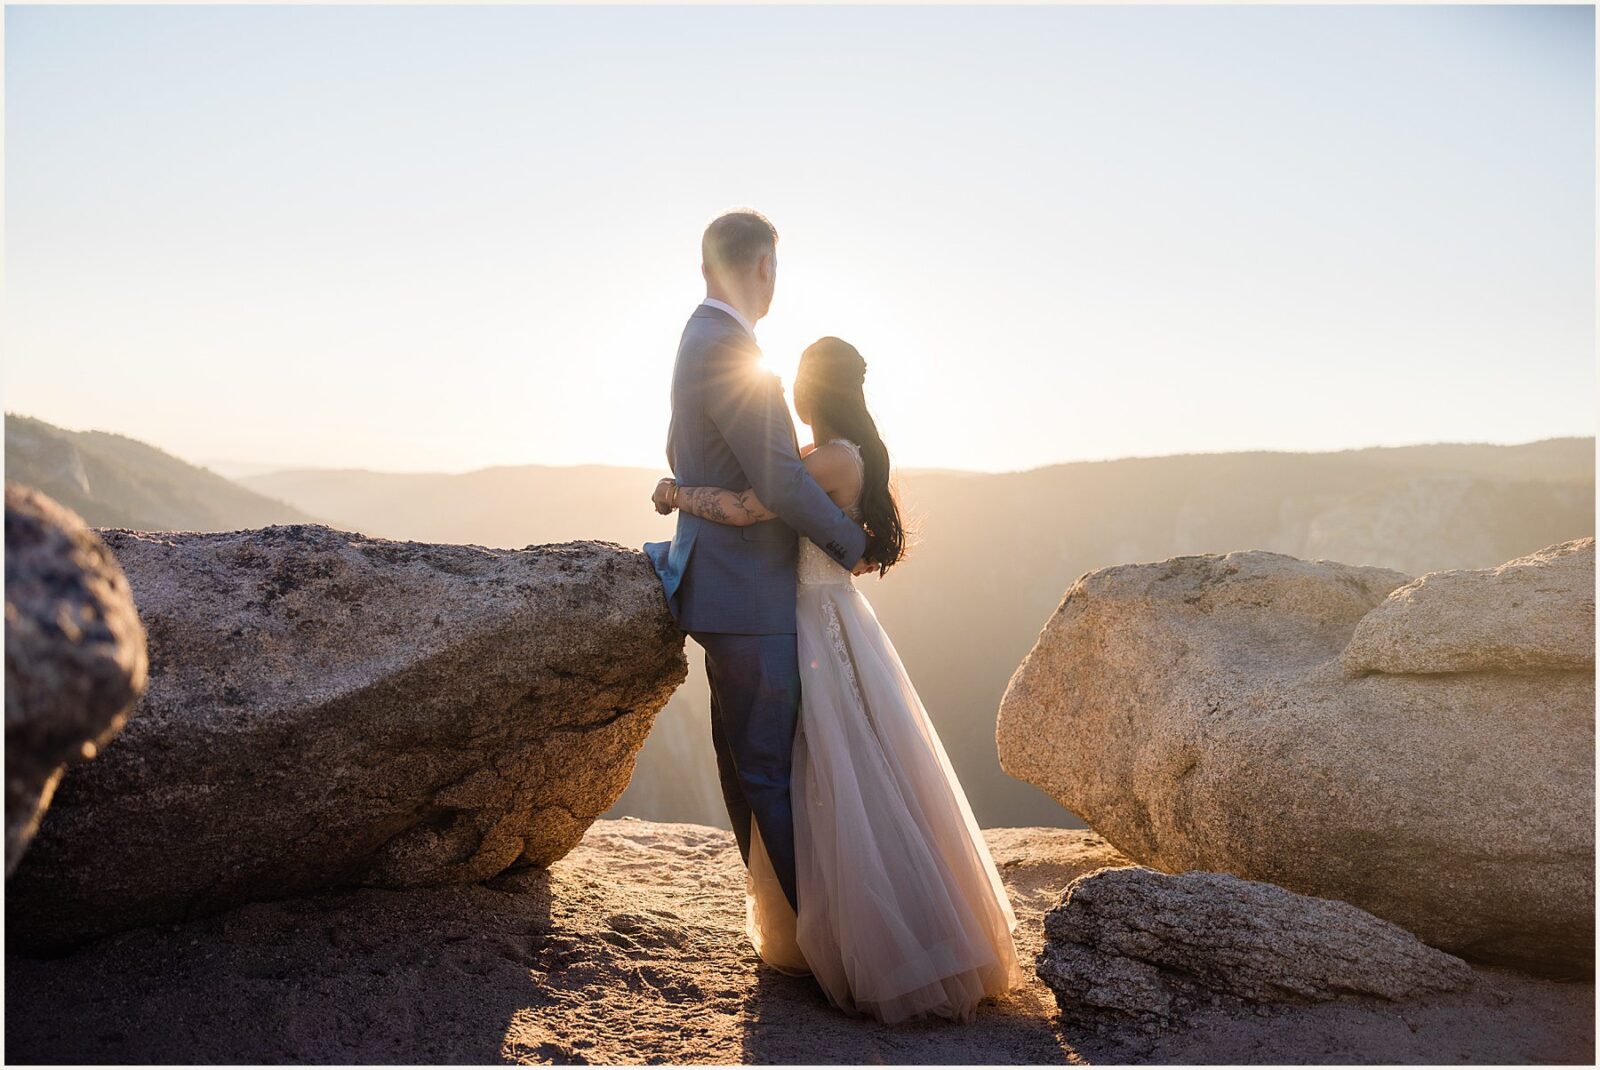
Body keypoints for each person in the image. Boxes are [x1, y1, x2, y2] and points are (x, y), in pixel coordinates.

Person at [651, 335, 1022, 1024]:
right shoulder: (854, 457)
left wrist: (674, 492)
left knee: (831, 770)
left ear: (806, 394)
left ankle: (862, 943)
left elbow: (744, 506)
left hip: (811, 623)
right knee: (870, 770)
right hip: (841, 620)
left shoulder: (823, 460)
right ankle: (915, 925)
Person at [643, 210, 870, 918]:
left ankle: (791, 929)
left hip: (724, 582)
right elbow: (778, 479)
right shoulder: (727, 346)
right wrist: (852, 541)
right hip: (750, 592)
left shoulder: (699, 335)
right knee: (772, 772)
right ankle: (822, 937)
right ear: (763, 265)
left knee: (747, 767)